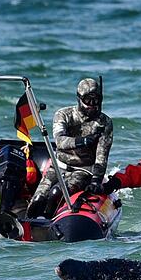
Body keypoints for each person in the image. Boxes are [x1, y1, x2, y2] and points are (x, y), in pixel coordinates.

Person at [27, 77, 113, 218]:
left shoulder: (104, 123)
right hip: (58, 167)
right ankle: (27, 227)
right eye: (87, 100)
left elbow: (102, 155)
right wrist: (83, 141)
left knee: (56, 193)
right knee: (38, 200)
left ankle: (49, 225)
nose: (92, 105)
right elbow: (60, 141)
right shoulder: (64, 115)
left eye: (95, 100)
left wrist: (96, 180)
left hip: (83, 171)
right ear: (79, 99)